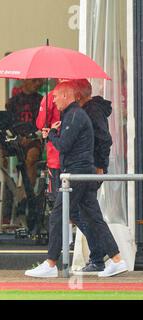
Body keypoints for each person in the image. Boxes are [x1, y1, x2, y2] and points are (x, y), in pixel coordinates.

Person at [25, 81, 127, 278]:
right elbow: (67, 141)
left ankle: (51, 263)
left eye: (55, 96)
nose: (53, 101)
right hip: (82, 172)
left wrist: (52, 134)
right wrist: (53, 133)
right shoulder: (75, 115)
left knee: (58, 216)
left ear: (66, 95)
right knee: (94, 218)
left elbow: (64, 145)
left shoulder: (75, 115)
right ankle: (117, 260)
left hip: (76, 173)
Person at [70, 79, 113, 273]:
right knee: (83, 212)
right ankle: (99, 253)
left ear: (77, 95)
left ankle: (100, 254)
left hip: (93, 168)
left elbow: (104, 139)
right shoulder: (87, 110)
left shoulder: (92, 111)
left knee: (86, 213)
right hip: (89, 167)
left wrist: (100, 166)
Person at [5, 79, 43, 187]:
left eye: (38, 82)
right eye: (34, 81)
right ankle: (6, 186)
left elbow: (42, 125)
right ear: (24, 82)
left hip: (33, 139)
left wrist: (32, 136)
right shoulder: (13, 102)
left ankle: (28, 192)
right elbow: (8, 123)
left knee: (31, 158)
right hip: (16, 139)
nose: (38, 83)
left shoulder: (41, 101)